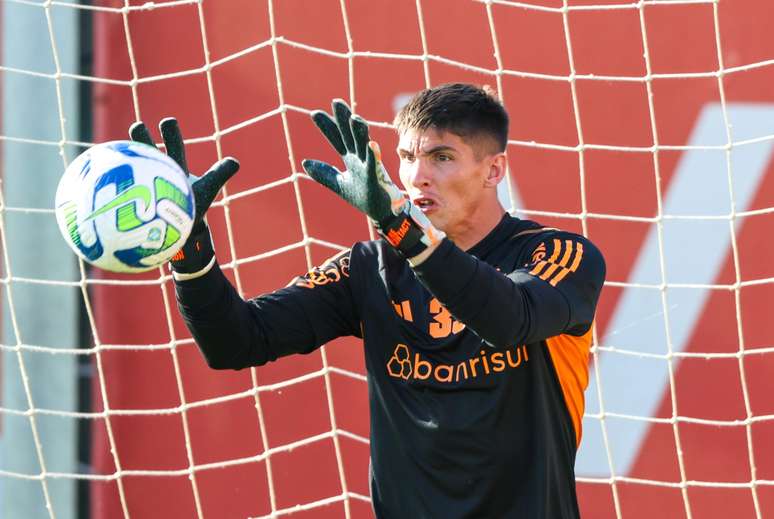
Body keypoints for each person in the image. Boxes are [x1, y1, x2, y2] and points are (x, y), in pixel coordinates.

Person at [130, 83, 606, 518]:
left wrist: (405, 231)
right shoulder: (371, 268)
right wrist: (189, 253)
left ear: (493, 169)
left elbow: (508, 318)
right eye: (406, 156)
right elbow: (238, 342)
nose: (418, 176)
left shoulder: (559, 254)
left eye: (442, 157)